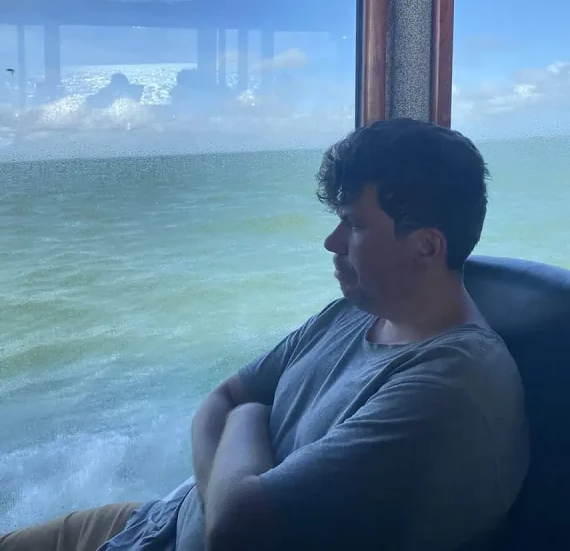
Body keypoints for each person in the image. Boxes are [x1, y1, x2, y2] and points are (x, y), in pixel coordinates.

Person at [1, 119, 529, 551]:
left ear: (426, 248)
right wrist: (225, 485)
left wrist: (250, 417)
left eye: (356, 225)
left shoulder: (448, 385)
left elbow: (235, 530)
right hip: (155, 523)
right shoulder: (349, 315)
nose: (332, 241)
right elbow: (221, 397)